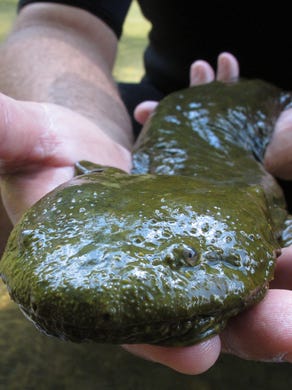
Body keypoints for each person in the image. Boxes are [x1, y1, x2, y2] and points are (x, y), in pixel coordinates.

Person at [0, 0, 292, 375]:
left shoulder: (258, 208)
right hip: (163, 103)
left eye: (186, 257)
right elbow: (57, 18)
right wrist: (90, 124)